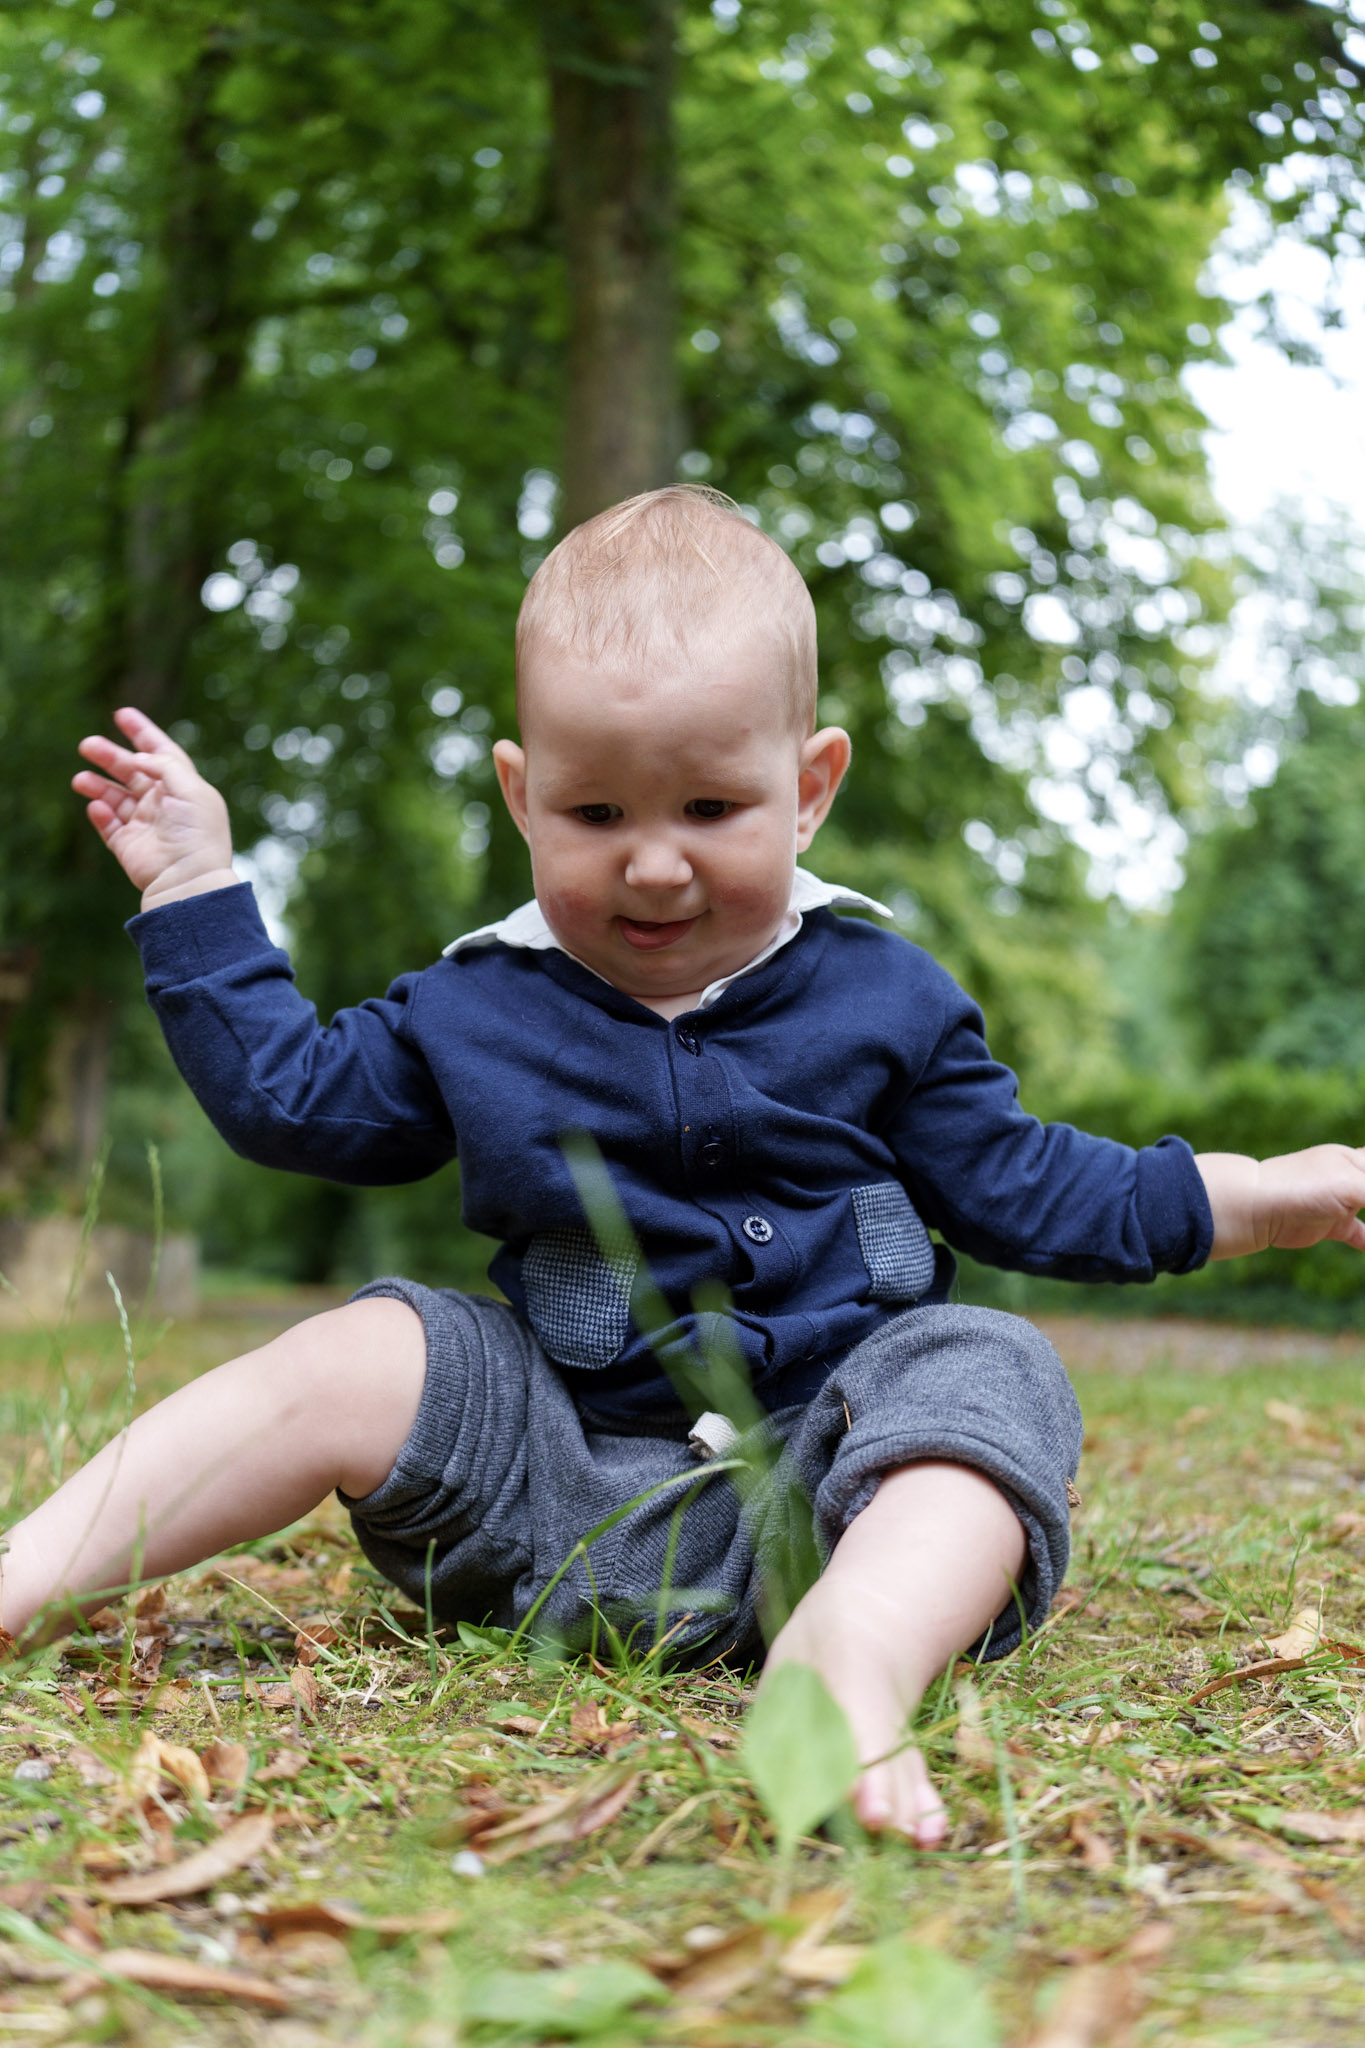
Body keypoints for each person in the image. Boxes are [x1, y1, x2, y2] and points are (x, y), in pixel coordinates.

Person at [9, 486, 1365, 1847]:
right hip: (555, 1494)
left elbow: (1032, 1185)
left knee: (988, 1366)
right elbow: (292, 1101)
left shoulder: (887, 996)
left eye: (712, 807)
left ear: (809, 790)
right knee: (373, 1344)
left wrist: (1252, 1197)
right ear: (521, 795)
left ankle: (849, 1659)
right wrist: (190, 892)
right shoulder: (472, 1005)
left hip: (841, 1499)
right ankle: (28, 1575)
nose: (654, 866)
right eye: (596, 812)